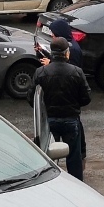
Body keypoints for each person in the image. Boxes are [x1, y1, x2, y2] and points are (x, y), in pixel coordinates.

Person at [34, 36, 90, 180]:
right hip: (71, 120)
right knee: (74, 157)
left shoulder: (40, 72)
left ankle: (51, 182)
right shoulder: (77, 72)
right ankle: (77, 185)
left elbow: (32, 98)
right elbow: (86, 98)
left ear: (52, 53)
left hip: (49, 121)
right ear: (66, 53)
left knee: (49, 157)